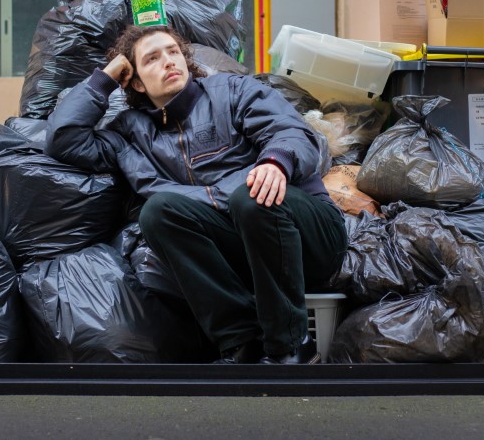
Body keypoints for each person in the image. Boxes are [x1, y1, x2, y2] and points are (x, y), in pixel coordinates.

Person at [46, 25, 347, 364]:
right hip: (242, 253)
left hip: (309, 239)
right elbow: (64, 140)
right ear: (137, 83)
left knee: (250, 196)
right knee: (157, 211)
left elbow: (290, 132)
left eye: (174, 52)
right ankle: (241, 342)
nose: (169, 61)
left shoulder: (231, 91)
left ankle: (291, 345)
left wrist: (276, 162)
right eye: (152, 59)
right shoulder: (130, 134)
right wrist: (106, 77)